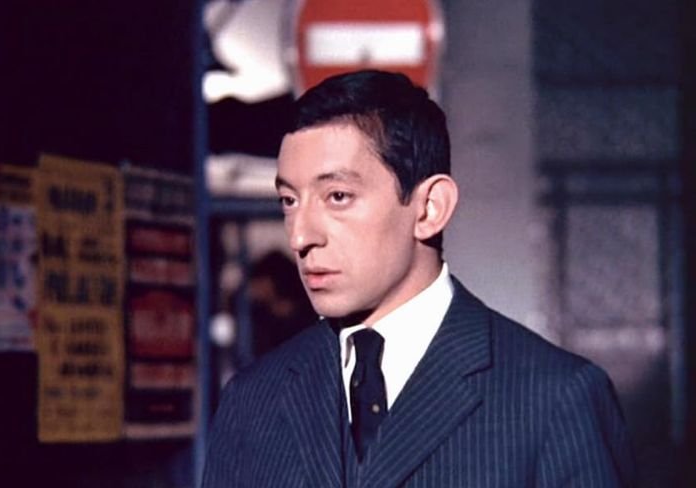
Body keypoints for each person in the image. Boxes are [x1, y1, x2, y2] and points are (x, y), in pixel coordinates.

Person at [202, 70, 635, 487]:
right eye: (289, 201)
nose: (300, 236)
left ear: (429, 208)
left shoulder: (554, 398)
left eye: (338, 196)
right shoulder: (253, 400)